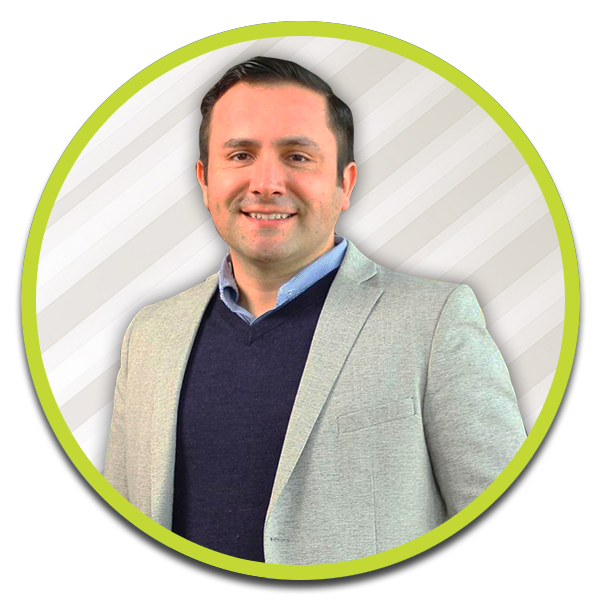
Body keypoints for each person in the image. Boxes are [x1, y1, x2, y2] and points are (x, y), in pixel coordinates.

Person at [86, 57, 562, 580]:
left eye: (297, 156)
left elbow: (518, 545)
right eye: (240, 155)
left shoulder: (433, 325)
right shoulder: (151, 336)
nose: (266, 182)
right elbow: (117, 549)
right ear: (204, 179)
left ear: (345, 183)